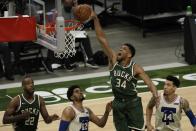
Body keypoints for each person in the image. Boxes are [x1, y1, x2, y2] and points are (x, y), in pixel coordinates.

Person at [91, 11, 158, 131]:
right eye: (120, 48)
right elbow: (101, 38)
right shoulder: (113, 60)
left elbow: (150, 83)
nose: (120, 50)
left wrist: (156, 95)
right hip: (118, 104)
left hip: (133, 104)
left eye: (124, 49)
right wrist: (95, 19)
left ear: (129, 54)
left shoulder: (135, 67)